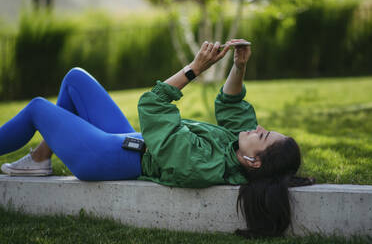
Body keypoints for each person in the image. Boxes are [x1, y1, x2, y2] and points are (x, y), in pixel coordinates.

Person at [0, 39, 313, 238]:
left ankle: (37, 156)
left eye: (264, 135)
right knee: (76, 78)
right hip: (127, 141)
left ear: (253, 161)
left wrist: (194, 69)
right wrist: (239, 66)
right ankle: (40, 159)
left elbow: (152, 106)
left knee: (38, 108)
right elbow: (232, 106)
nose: (258, 128)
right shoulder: (235, 148)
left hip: (103, 157)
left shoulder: (203, 164)